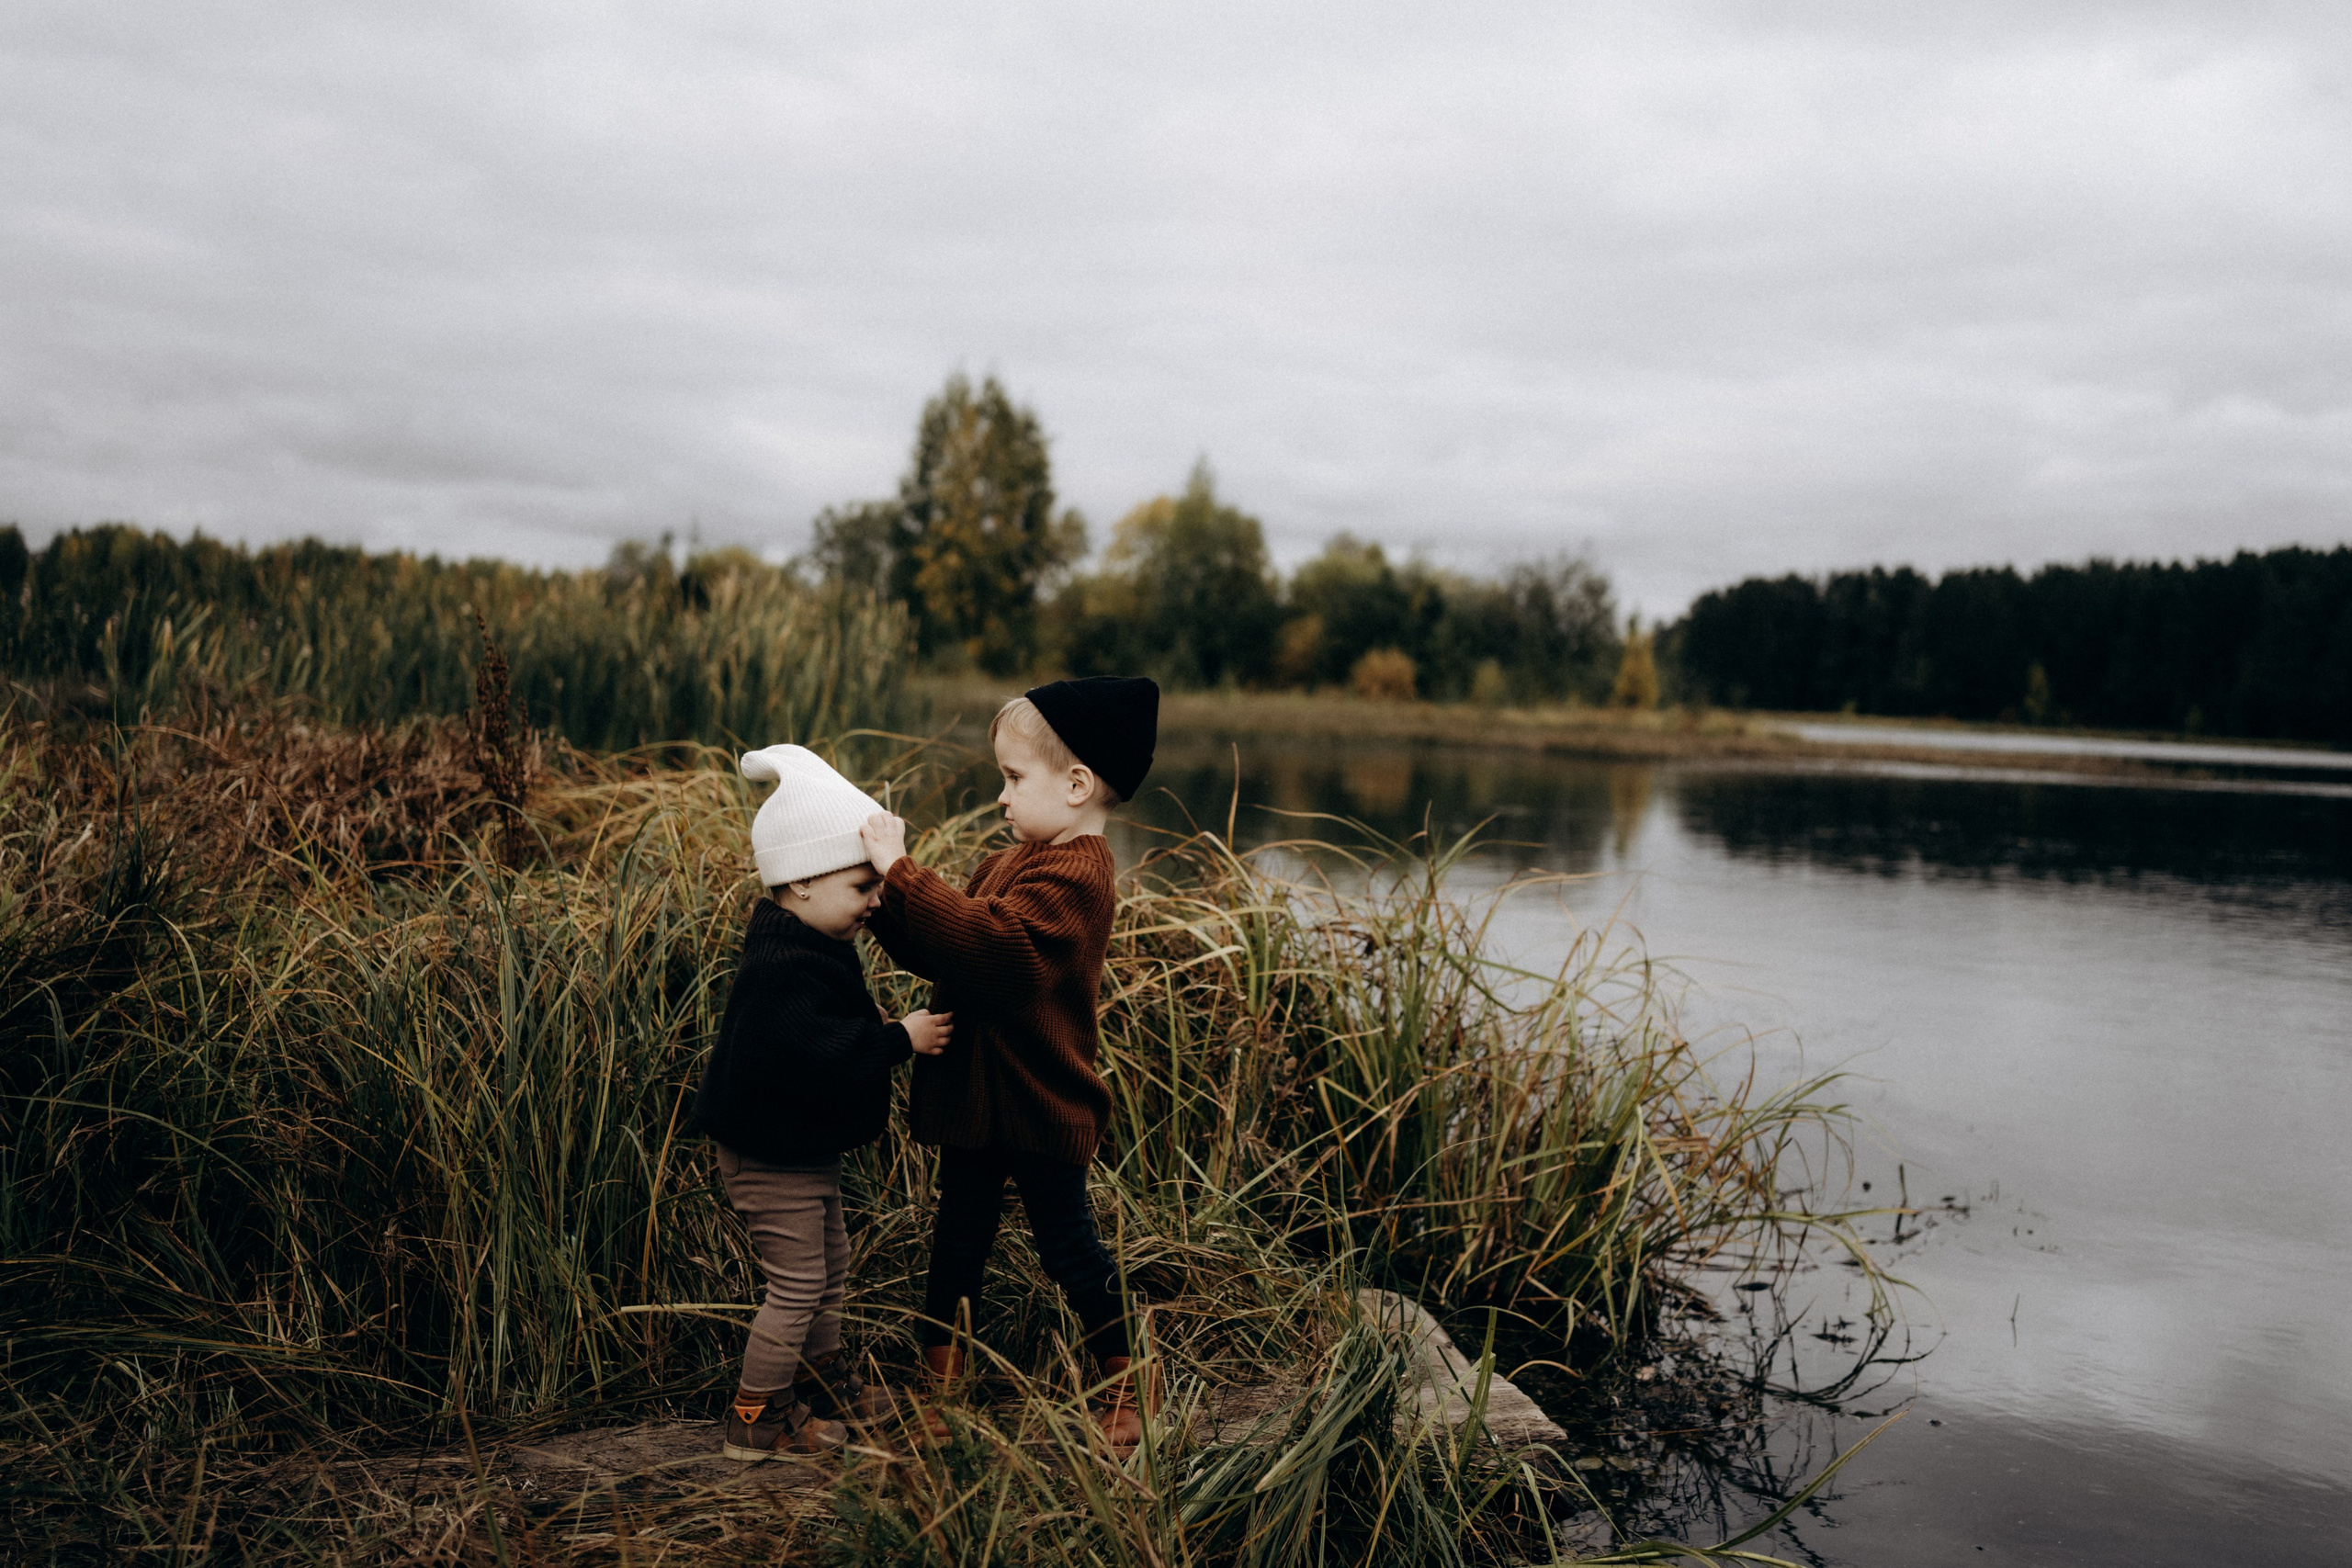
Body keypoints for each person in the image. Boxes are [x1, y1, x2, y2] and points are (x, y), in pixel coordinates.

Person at [858, 675, 1159, 1453]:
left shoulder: (1079, 874)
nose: (1001, 796)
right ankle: (943, 1381)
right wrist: (880, 901)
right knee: (958, 1235)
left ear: (1078, 784)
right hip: (975, 1095)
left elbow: (998, 952)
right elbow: (946, 941)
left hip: (1036, 1097)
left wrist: (905, 872)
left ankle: (1129, 1375)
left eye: (1014, 778)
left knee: (1068, 1244)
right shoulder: (1009, 859)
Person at [689, 743, 953, 1461]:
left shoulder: (810, 941)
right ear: (800, 882)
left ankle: (821, 1380)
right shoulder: (782, 967)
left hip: (795, 1148)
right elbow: (816, 1051)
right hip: (766, 1156)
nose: (876, 900)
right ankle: (758, 1414)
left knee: (830, 1261)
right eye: (864, 885)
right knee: (799, 1277)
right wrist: (899, 1036)